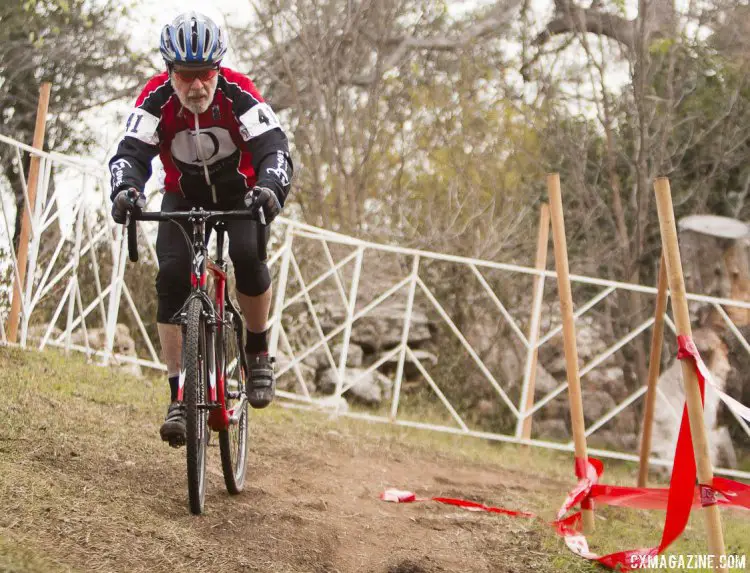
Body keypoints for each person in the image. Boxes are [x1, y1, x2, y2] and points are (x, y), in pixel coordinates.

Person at [108, 12, 293, 447]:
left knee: (248, 257)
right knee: (171, 276)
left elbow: (274, 146)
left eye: (205, 74)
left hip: (239, 193)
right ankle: (177, 395)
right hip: (183, 195)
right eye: (187, 75)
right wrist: (126, 191)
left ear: (218, 68)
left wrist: (269, 187)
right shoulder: (155, 97)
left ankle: (258, 350)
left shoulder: (237, 91)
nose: (197, 86)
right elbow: (130, 154)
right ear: (169, 72)